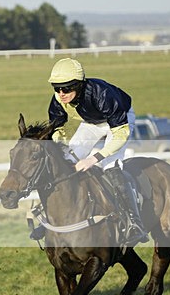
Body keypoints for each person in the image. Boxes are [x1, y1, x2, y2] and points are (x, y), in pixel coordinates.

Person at [46, 58, 146, 245]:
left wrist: (93, 158)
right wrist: (59, 142)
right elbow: (56, 128)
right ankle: (57, 217)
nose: (61, 94)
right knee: (66, 160)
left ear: (79, 85)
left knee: (110, 166)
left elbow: (120, 135)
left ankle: (134, 222)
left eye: (67, 88)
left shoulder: (102, 94)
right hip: (91, 123)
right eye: (57, 88)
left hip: (119, 124)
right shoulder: (59, 98)